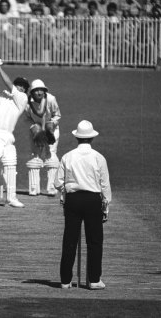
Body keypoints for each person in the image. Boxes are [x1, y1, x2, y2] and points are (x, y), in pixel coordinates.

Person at [55, 120, 112, 290]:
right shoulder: (98, 157)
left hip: (73, 200)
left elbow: (58, 182)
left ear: (77, 138)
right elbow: (105, 185)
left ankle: (65, 280)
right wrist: (106, 205)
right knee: (94, 241)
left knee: (69, 240)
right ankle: (94, 279)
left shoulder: (68, 156)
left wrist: (66, 190)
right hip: (92, 200)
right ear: (91, 138)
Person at [0, 57, 29, 208]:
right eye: (18, 85)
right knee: (8, 164)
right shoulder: (1, 95)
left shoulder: (22, 99)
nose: (20, 88)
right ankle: (11, 197)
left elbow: (8, 83)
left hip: (8, 136)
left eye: (23, 87)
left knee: (10, 166)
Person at [24, 79, 61, 196]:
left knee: (51, 155)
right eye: (36, 90)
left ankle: (51, 186)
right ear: (32, 92)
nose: (39, 93)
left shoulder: (51, 99)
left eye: (41, 90)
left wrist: (52, 124)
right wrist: (33, 126)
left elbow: (57, 114)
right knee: (35, 156)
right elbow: (25, 118)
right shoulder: (27, 102)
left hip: (51, 129)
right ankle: (34, 187)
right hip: (36, 129)